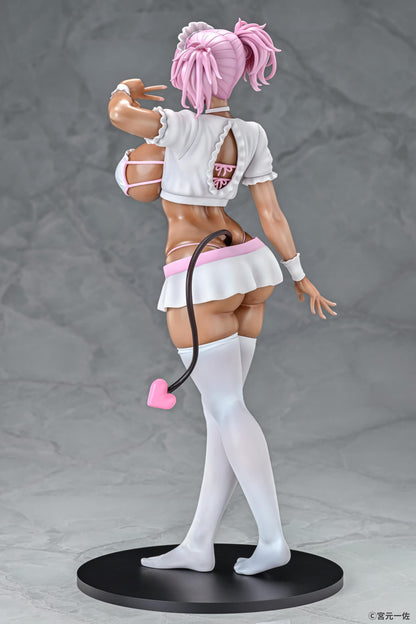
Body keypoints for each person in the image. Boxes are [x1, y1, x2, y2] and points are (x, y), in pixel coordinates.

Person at [108, 19, 337, 576]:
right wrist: (299, 273)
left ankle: (273, 540)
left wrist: (126, 88)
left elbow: (120, 115)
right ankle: (199, 544)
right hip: (251, 267)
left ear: (191, 71)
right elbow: (271, 214)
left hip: (200, 274)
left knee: (228, 407)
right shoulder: (251, 133)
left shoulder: (181, 126)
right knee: (221, 412)